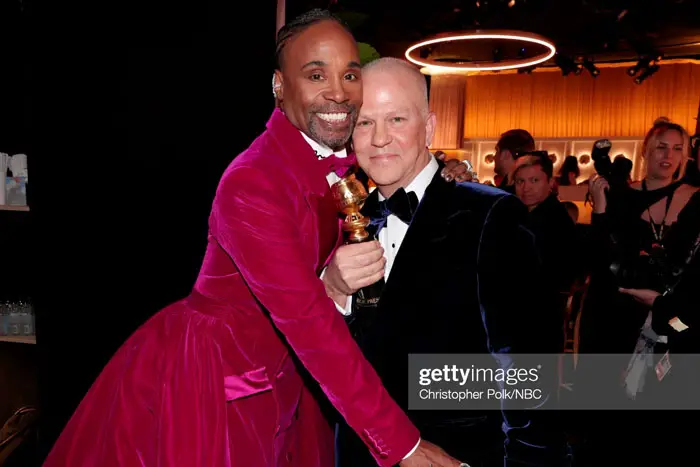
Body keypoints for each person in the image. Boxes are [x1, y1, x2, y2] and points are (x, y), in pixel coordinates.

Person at [41, 10, 457, 467]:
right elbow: (310, 324)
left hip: (288, 378)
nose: (338, 91)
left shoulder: (331, 164)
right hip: (218, 383)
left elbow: (534, 378)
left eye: (349, 74)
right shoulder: (253, 183)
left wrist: (443, 175)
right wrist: (404, 446)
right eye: (316, 74)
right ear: (280, 86)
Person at [324, 57, 568, 467]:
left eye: (397, 119)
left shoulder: (492, 216)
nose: (379, 138)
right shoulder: (340, 222)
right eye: (365, 122)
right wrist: (331, 291)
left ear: (430, 127)